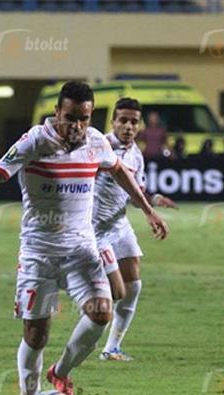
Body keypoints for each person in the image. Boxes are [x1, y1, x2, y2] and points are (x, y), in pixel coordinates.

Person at [0, 82, 169, 395]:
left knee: (102, 311)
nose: (77, 126)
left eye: (84, 118)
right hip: (39, 253)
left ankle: (61, 372)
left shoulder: (96, 142)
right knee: (36, 335)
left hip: (82, 249)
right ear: (57, 113)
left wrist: (147, 210)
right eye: (70, 118)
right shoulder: (35, 140)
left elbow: (119, 171)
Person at [93, 98, 177, 362]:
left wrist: (153, 200)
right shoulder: (98, 147)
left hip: (119, 224)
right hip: (94, 229)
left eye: (134, 122)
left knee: (134, 285)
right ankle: (83, 338)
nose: (129, 126)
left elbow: (135, 192)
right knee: (111, 291)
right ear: (113, 122)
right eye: (123, 120)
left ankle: (112, 348)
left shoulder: (136, 155)